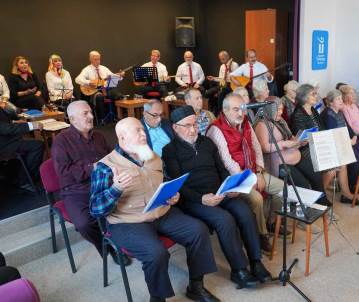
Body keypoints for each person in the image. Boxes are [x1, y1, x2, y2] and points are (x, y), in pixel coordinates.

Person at [90, 117, 219, 302]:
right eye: (137, 131)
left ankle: (196, 287)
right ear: (122, 138)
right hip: (128, 222)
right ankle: (157, 298)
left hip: (161, 212)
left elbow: (162, 182)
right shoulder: (105, 166)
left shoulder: (152, 157)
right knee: (156, 253)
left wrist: (172, 195)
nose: (144, 134)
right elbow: (95, 209)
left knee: (198, 230)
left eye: (143, 130)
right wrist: (115, 189)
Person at [163, 106, 272, 288]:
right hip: (193, 199)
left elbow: (221, 169)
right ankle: (239, 270)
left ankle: (256, 262)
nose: (193, 129)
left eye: (195, 124)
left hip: (220, 191)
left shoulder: (207, 143)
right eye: (187, 125)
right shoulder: (170, 151)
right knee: (224, 220)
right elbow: (178, 183)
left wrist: (230, 186)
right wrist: (201, 199)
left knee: (245, 212)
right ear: (175, 127)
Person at [206, 93, 286, 253]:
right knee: (256, 199)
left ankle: (270, 222)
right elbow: (227, 161)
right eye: (236, 109)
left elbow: (256, 147)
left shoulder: (246, 123)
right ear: (225, 110)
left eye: (242, 109)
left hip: (252, 171)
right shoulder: (216, 129)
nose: (241, 113)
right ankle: (260, 235)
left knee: (283, 188)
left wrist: (258, 171)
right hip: (234, 179)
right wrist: (251, 178)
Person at [52, 101, 125, 263]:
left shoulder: (98, 136)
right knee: (84, 224)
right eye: (85, 114)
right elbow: (63, 173)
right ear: (72, 119)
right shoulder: (61, 141)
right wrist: (91, 167)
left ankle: (125, 242)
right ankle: (106, 247)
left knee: (126, 205)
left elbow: (111, 158)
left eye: (91, 112)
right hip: (76, 190)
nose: (91, 116)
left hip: (104, 184)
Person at [291, 84, 359, 206]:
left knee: (342, 162)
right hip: (306, 148)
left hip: (318, 143)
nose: (315, 95)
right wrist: (318, 139)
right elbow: (301, 137)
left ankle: (346, 194)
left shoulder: (312, 110)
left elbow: (322, 128)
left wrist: (323, 140)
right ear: (304, 97)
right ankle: (319, 196)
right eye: (313, 94)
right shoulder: (298, 114)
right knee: (332, 169)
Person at [254, 97, 325, 197]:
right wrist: (283, 144)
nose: (281, 112)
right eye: (278, 109)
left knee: (316, 175)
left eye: (282, 109)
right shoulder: (262, 124)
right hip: (278, 162)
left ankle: (321, 203)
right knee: (302, 184)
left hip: (292, 155)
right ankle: (304, 209)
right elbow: (264, 147)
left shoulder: (281, 121)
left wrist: (299, 141)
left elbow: (290, 137)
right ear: (269, 109)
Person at [321, 89, 359, 193]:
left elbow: (348, 127)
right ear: (331, 102)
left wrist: (353, 137)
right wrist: (349, 142)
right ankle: (351, 185)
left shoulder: (339, 112)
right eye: (338, 99)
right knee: (356, 156)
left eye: (341, 98)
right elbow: (333, 135)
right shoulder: (328, 114)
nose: (341, 101)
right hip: (338, 143)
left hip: (348, 140)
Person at [0, 99, 44, 191]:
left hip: (6, 140)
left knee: (32, 142)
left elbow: (4, 123)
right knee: (37, 145)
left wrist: (13, 122)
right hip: (4, 145)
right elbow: (6, 129)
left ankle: (21, 176)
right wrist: (31, 126)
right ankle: (24, 180)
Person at [75, 51, 125, 123]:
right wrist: (89, 82)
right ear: (91, 59)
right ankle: (102, 119)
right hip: (93, 91)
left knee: (119, 96)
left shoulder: (104, 68)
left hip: (105, 89)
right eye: (95, 59)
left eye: (99, 59)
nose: (98, 61)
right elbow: (77, 79)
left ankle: (116, 116)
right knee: (100, 97)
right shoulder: (87, 70)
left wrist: (120, 76)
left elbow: (113, 77)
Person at [206, 50, 239, 115]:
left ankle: (221, 112)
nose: (222, 61)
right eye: (220, 59)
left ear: (228, 57)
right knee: (208, 93)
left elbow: (236, 79)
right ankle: (213, 110)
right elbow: (221, 79)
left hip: (232, 85)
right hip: (223, 84)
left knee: (221, 93)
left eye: (223, 59)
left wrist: (229, 69)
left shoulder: (235, 65)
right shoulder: (222, 66)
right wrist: (213, 78)